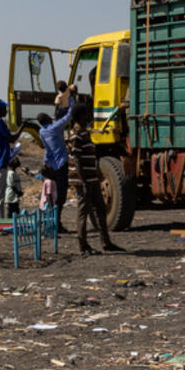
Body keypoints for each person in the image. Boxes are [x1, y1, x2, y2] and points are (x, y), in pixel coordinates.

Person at [68, 93, 122, 254]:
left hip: (91, 179)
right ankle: (83, 246)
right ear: (80, 117)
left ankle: (106, 242)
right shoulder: (77, 134)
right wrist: (84, 181)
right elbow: (76, 159)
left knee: (100, 210)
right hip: (83, 180)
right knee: (83, 212)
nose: (89, 117)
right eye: (86, 114)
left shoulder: (85, 132)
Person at [36, 101, 77, 232]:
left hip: (49, 165)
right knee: (60, 195)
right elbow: (69, 116)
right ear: (48, 119)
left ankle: (53, 223)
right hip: (60, 164)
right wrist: (71, 100)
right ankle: (57, 224)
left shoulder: (42, 131)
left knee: (51, 195)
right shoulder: (55, 128)